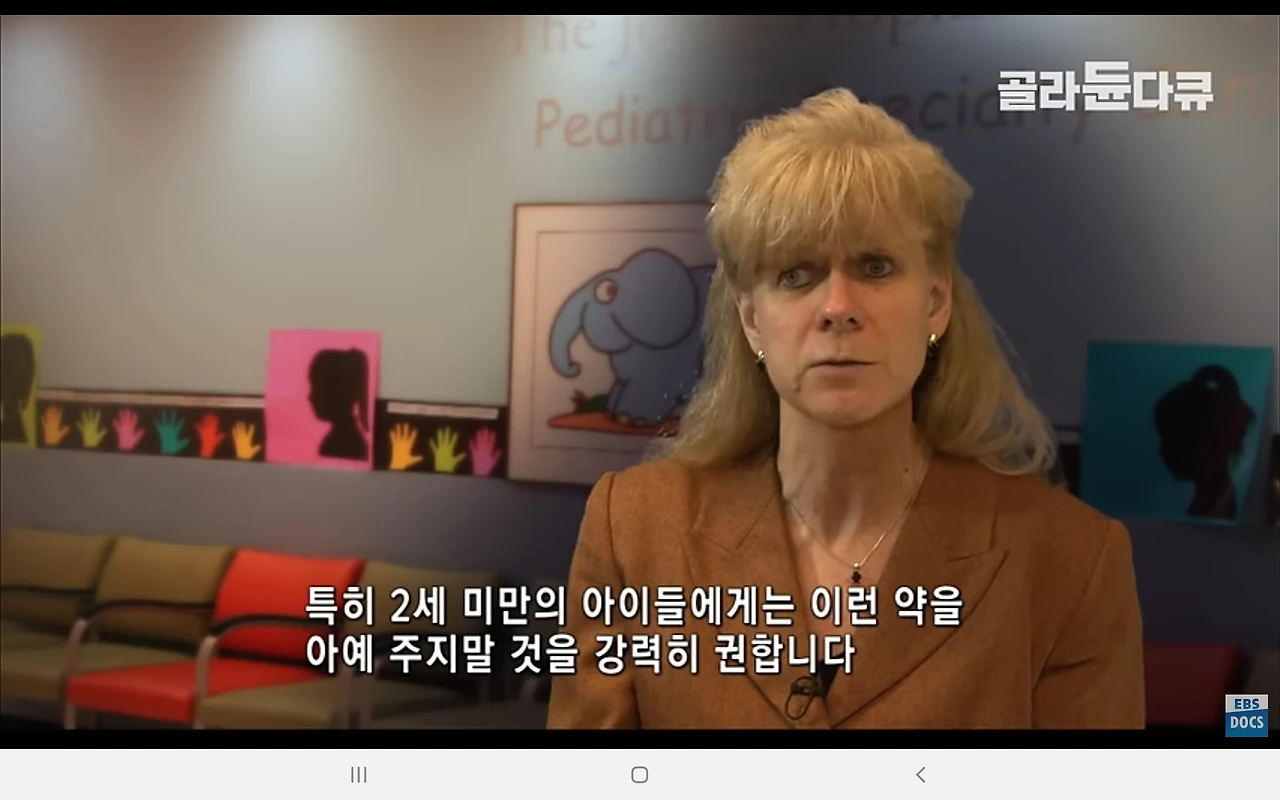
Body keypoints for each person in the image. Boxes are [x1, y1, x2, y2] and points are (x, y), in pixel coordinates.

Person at [546, 89, 1145, 729]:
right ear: (752, 320)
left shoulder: (1072, 561)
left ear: (936, 303)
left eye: (875, 266)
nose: (837, 307)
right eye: (796, 275)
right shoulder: (634, 530)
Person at [307, 348, 371, 461]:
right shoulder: (350, 439)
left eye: (316, 388)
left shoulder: (337, 444)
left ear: (336, 392)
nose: (310, 397)